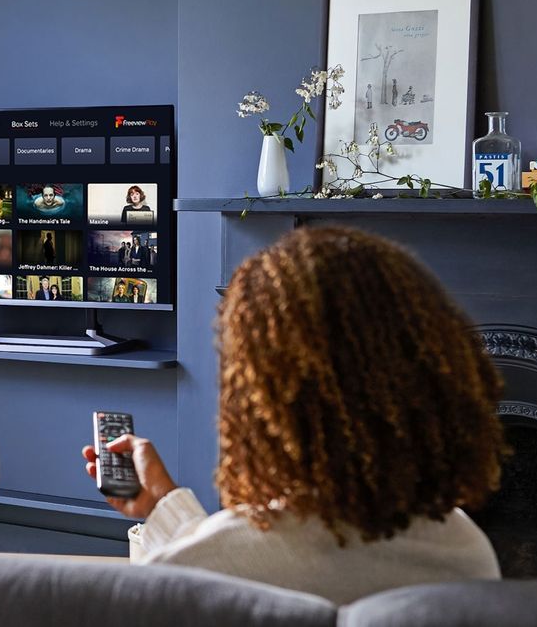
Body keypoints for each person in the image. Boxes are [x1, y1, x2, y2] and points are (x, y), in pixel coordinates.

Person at [81, 226, 504, 603]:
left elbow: (233, 556)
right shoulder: (465, 552)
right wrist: (162, 504)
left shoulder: (197, 570)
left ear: (260, 398)